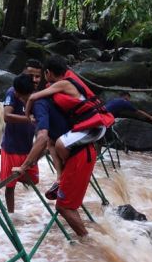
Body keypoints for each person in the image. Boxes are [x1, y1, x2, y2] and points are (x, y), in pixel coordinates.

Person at [15, 72, 100, 238]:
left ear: (17, 94)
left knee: (64, 206)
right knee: (67, 203)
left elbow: (42, 138)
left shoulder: (39, 105)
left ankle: (90, 243)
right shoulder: (44, 101)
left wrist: (24, 166)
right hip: (83, 152)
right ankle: (90, 245)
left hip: (79, 156)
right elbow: (48, 143)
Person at [23, 56, 115, 196]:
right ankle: (60, 178)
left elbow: (32, 97)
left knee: (60, 144)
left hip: (94, 127)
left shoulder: (64, 84)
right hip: (87, 126)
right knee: (51, 143)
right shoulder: (63, 83)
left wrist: (27, 114)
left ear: (48, 72)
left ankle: (67, 174)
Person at [0, 72, 40, 213]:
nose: (36, 78)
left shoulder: (35, 95)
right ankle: (11, 214)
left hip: (28, 146)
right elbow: (7, 116)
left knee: (33, 180)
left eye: (38, 76)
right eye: (33, 75)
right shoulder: (12, 92)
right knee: (10, 186)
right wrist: (29, 119)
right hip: (12, 146)